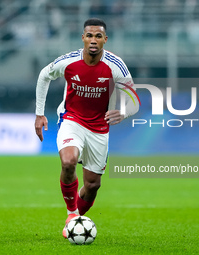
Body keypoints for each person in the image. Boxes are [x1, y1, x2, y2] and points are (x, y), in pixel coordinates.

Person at [34, 18, 139, 238]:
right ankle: (72, 214)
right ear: (83, 37)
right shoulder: (69, 62)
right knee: (68, 161)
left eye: (98, 36)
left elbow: (134, 101)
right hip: (72, 120)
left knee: (92, 185)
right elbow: (44, 75)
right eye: (89, 35)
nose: (93, 40)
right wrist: (39, 114)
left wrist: (124, 112)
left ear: (105, 40)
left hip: (99, 128)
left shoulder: (115, 66)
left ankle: (72, 224)